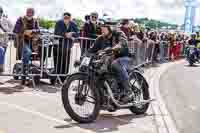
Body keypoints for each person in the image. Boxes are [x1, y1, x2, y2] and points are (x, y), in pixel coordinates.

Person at [89, 23, 134, 103]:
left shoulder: (119, 34)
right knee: (95, 69)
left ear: (110, 27)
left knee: (115, 64)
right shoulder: (100, 39)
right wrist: (82, 58)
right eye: (101, 27)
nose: (102, 29)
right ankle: (104, 95)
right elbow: (91, 51)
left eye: (104, 27)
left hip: (124, 58)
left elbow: (122, 43)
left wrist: (113, 48)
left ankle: (129, 92)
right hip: (109, 60)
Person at [13, 8, 39, 84]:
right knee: (27, 52)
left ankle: (28, 73)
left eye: (31, 12)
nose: (29, 14)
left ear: (33, 13)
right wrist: (24, 32)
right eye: (28, 12)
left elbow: (38, 30)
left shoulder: (35, 20)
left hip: (32, 43)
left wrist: (32, 31)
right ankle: (24, 75)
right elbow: (15, 30)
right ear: (26, 12)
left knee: (40, 52)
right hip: (21, 42)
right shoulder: (20, 19)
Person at [54, 12, 79, 81]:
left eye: (67, 18)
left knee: (66, 63)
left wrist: (72, 34)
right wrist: (65, 35)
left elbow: (78, 33)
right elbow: (56, 32)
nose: (66, 19)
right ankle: (55, 78)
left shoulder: (73, 24)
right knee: (57, 62)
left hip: (67, 47)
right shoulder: (59, 23)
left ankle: (63, 79)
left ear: (70, 18)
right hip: (58, 46)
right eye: (65, 17)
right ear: (63, 17)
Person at [0, 6, 13, 72]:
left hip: (4, 42)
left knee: (2, 56)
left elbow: (12, 29)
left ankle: (1, 68)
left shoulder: (6, 20)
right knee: (1, 52)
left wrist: (3, 28)